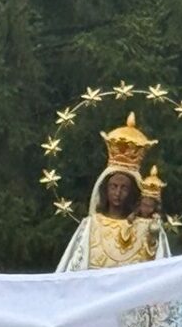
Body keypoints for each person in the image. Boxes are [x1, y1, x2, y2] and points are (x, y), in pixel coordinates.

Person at [57, 113, 171, 271]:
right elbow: (75, 270)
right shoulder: (91, 225)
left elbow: (159, 270)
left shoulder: (147, 227)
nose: (118, 193)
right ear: (105, 189)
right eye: (113, 186)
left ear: (133, 192)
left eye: (124, 188)